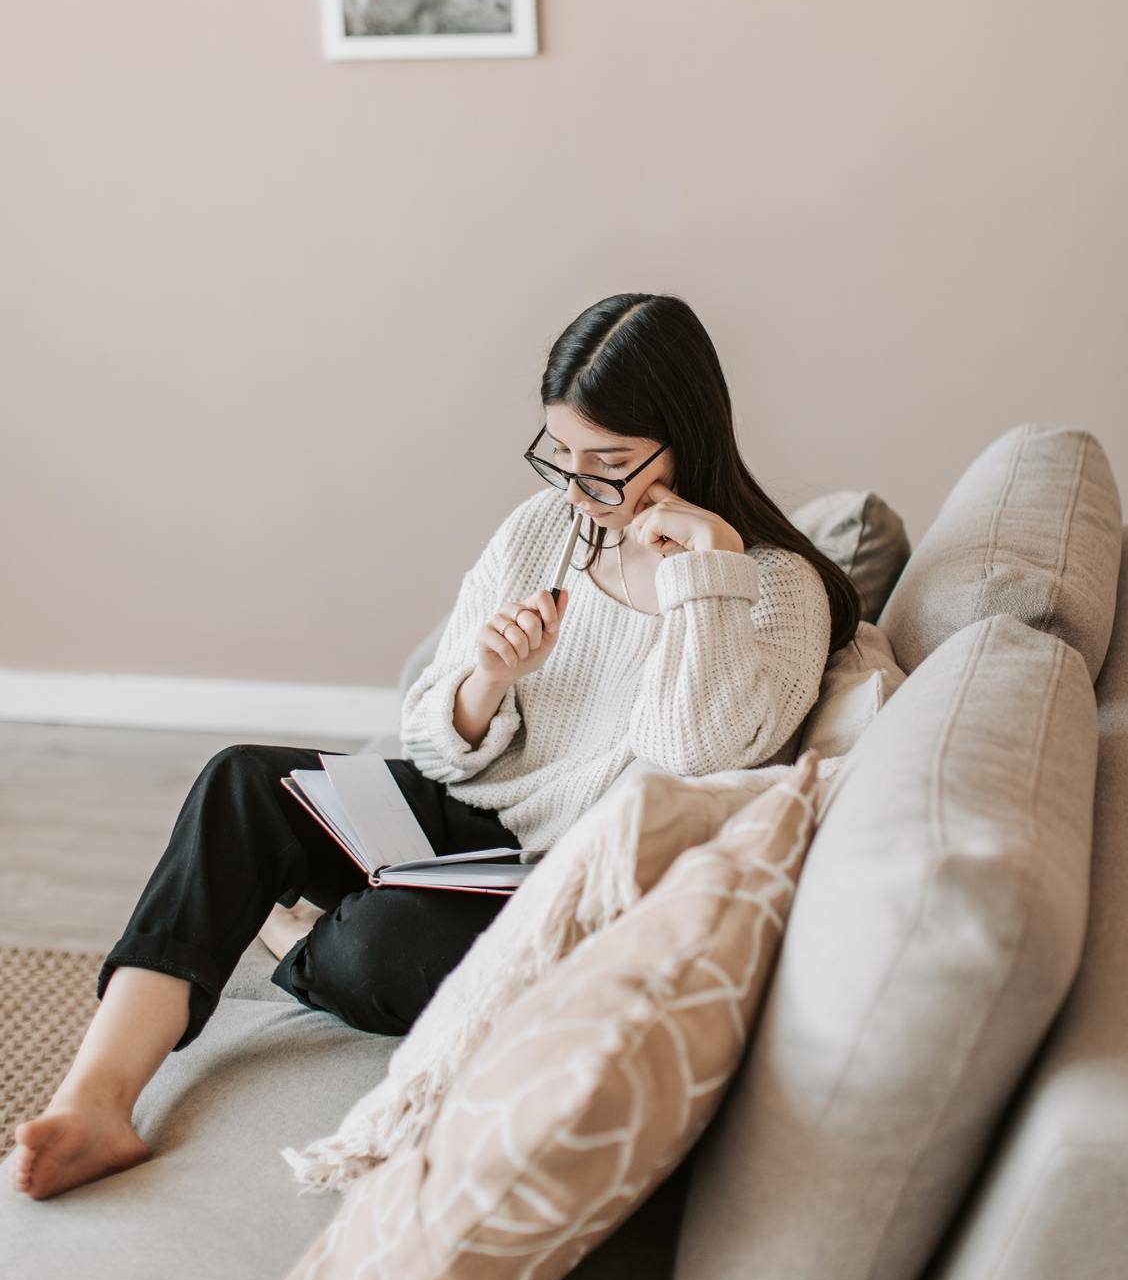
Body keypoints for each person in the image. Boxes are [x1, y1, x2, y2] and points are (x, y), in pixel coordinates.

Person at [10, 291, 859, 1201]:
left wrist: (706, 576)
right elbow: (431, 737)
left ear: (687, 436)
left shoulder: (776, 590)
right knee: (241, 783)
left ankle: (302, 944)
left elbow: (694, 756)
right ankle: (96, 1098)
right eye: (560, 457)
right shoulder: (547, 532)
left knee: (380, 943)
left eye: (608, 465)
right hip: (468, 824)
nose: (579, 490)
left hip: (567, 887)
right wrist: (487, 682)